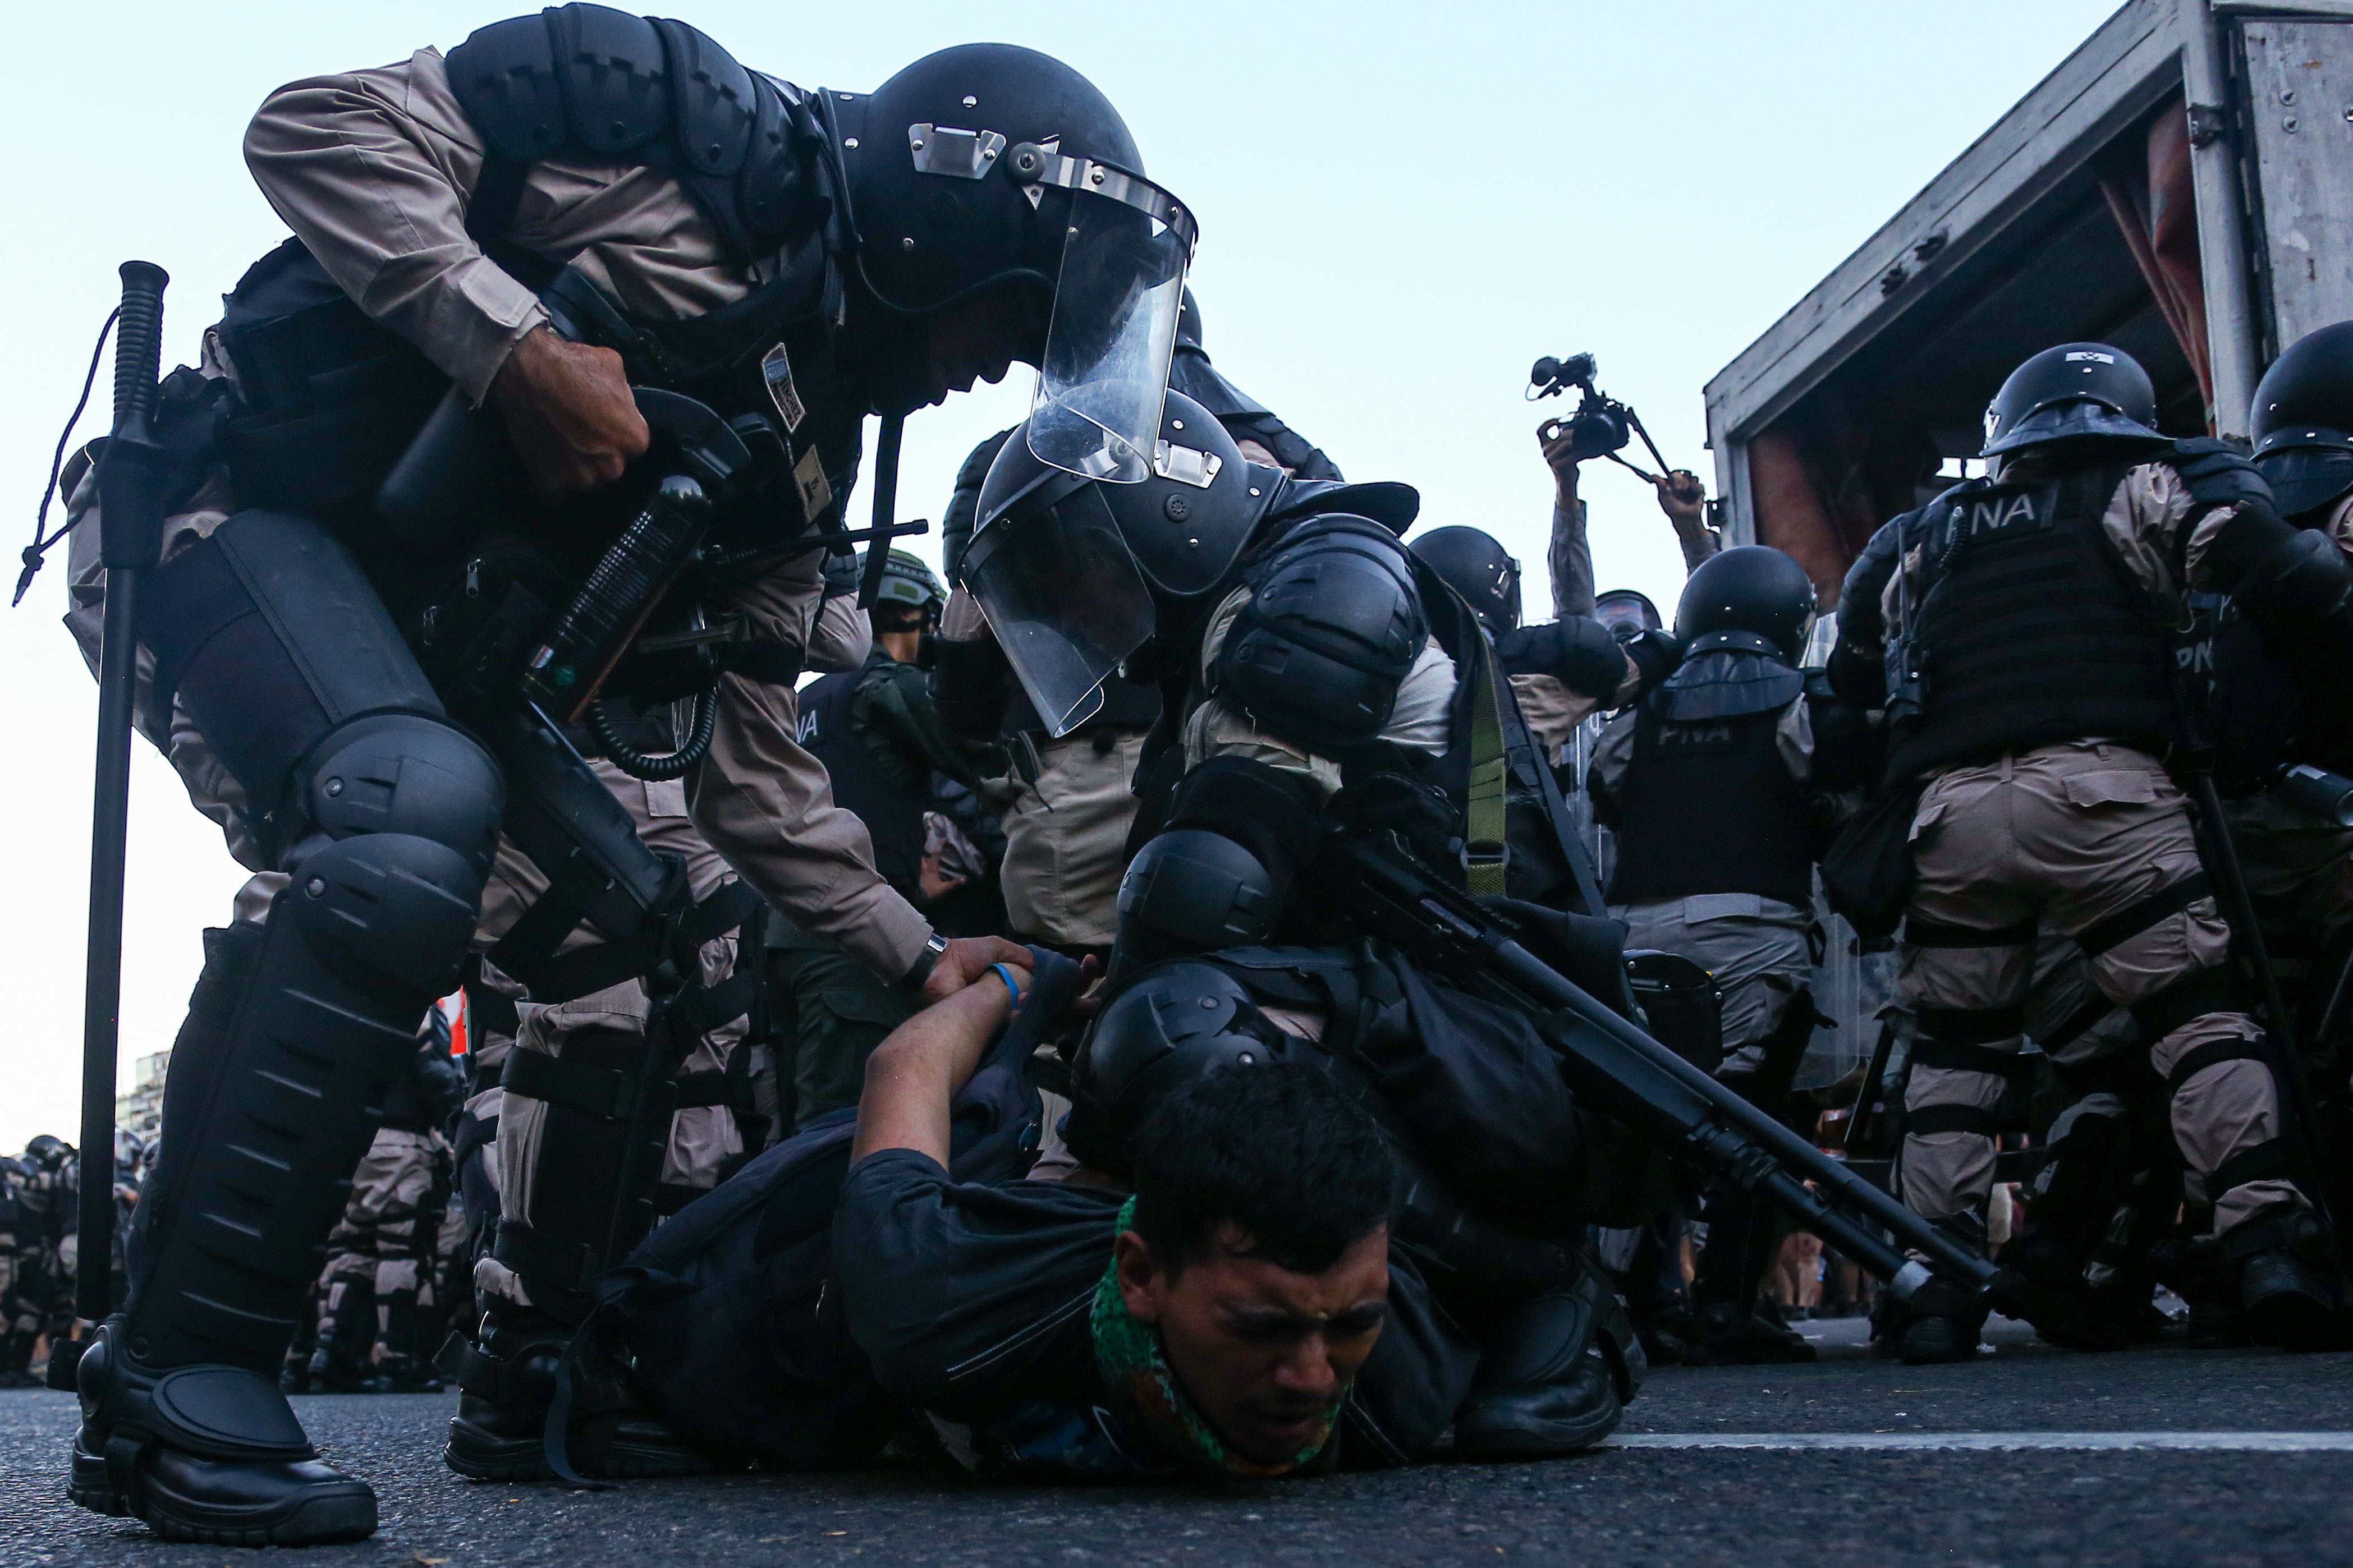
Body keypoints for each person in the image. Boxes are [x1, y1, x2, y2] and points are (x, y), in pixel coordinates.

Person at [64, 6, 1183, 1541]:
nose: (998, 369)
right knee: (407, 818)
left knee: (619, 941)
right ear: (950, 234)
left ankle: (537, 1372)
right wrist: (515, 349)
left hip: (419, 639)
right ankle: (177, 1381)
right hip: (222, 523)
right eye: (1011, 318)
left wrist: (917, 949)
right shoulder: (696, 132)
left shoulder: (809, 453)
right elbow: (312, 129)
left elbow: (756, 764)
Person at [1833, 341, 2353, 1363]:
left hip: (1953, 815)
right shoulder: (2141, 486)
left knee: (1952, 1059)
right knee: (2197, 1025)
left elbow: (1849, 672)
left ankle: (1931, 1287)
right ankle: (2267, 1251)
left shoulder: (1922, 530)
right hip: (2107, 797)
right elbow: (2272, 571)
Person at [932, 288, 1337, 958]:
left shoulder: (1025, 454)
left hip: (1094, 769)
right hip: (1198, 737)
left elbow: (970, 616)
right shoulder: (1267, 439)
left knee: (1087, 991)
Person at [1588, 546, 1865, 1363]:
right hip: (1751, 929)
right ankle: (1728, 1302)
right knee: (1758, 1119)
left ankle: (1639, 1298)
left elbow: (1607, 794)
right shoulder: (1796, 700)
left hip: (1631, 934)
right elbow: (1837, 801)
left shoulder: (1644, 711)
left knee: (1649, 1113)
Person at [772, 549, 990, 1132]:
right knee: (845, 1128)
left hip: (782, 937)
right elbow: (977, 754)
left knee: (789, 1117)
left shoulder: (804, 701)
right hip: (859, 941)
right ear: (913, 615)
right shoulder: (879, 685)